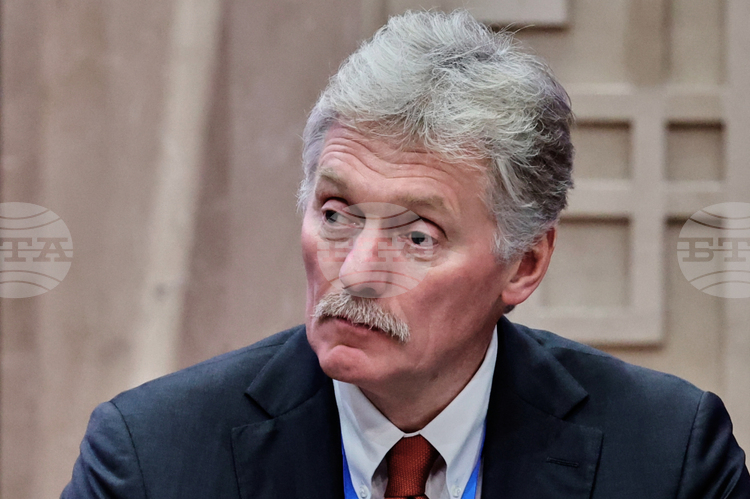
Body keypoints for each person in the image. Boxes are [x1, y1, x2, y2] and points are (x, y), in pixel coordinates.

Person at [62, 10, 749, 499]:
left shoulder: (668, 457)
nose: (356, 272)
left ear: (524, 264)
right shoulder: (151, 459)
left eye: (418, 235)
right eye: (336, 214)